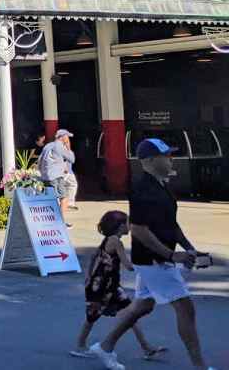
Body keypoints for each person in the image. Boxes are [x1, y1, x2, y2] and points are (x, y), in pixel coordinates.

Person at [88, 139, 214, 370]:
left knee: (143, 306)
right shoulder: (142, 190)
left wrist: (188, 248)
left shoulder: (162, 186)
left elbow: (171, 224)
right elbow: (138, 229)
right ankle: (200, 367)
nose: (170, 159)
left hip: (156, 259)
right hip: (152, 261)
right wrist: (170, 255)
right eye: (166, 155)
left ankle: (104, 346)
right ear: (149, 160)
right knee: (185, 307)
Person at [70, 210, 165, 360]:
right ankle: (80, 346)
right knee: (92, 317)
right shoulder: (116, 242)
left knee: (131, 315)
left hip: (110, 286)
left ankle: (146, 348)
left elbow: (95, 255)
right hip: (101, 288)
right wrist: (148, 262)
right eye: (127, 223)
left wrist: (89, 275)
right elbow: (128, 266)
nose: (129, 226)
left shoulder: (108, 239)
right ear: (120, 226)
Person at [39, 129, 78, 226]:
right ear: (63, 137)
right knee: (64, 198)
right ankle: (60, 222)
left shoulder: (48, 146)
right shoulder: (60, 146)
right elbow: (72, 159)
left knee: (50, 198)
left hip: (45, 176)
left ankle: (48, 220)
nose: (68, 139)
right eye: (67, 137)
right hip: (56, 176)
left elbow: (39, 161)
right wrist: (68, 148)